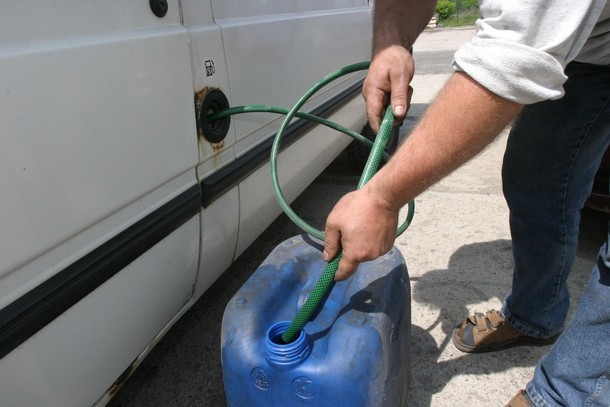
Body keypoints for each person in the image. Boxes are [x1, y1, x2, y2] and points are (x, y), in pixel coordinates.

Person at [322, 0, 610, 405]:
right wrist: (391, 42)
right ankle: (535, 315)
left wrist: (381, 198)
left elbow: (511, 59)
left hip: (576, 33)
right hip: (588, 49)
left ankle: (571, 392)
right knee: (537, 181)